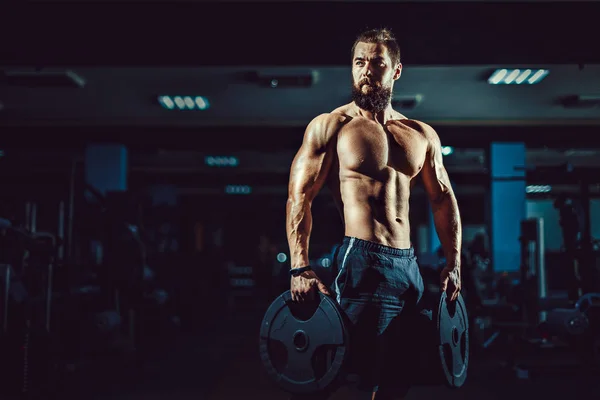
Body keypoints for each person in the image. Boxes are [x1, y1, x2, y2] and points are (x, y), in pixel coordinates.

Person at [285, 27, 462, 399]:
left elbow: (443, 197)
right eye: (359, 62)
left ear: (396, 70)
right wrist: (299, 266)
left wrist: (454, 262)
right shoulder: (332, 126)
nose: (366, 70)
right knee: (348, 377)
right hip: (361, 261)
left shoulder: (421, 135)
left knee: (398, 379)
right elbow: (300, 196)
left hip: (408, 267)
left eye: (377, 63)